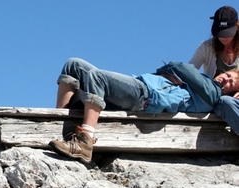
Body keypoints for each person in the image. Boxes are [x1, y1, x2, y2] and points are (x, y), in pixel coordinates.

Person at [49, 57, 239, 163]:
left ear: (231, 93)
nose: (226, 79)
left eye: (231, 84)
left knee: (96, 77)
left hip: (145, 96)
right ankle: (60, 124)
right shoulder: (205, 80)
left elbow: (179, 66)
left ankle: (85, 142)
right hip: (139, 83)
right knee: (73, 64)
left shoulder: (213, 94)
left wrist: (171, 70)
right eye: (228, 75)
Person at [190, 6, 239, 134]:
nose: (224, 37)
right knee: (226, 101)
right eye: (220, 32)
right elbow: (190, 71)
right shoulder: (207, 47)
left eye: (228, 32)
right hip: (217, 101)